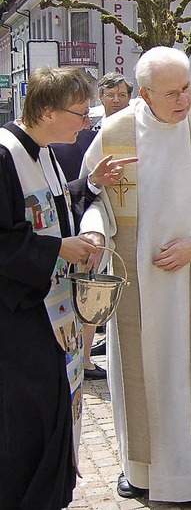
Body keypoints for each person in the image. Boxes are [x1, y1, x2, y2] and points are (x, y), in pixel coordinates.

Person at [79, 47, 191, 510]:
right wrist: (95, 225)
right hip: (136, 284)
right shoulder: (115, 134)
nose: (184, 100)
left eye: (188, 88)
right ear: (143, 94)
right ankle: (138, 471)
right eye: (172, 92)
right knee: (136, 376)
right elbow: (91, 196)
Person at [0, 66, 132, 510]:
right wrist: (60, 248)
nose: (87, 124)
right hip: (19, 317)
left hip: (53, 312)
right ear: (46, 111)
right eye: (80, 113)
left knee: (56, 407)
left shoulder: (44, 151)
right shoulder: (4, 156)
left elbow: (55, 206)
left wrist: (92, 184)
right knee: (27, 419)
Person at [51, 72, 135, 379]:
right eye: (110, 95)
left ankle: (83, 354)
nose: (115, 100)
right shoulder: (83, 135)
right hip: (78, 221)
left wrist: (91, 184)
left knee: (92, 292)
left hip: (91, 215)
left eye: (121, 95)